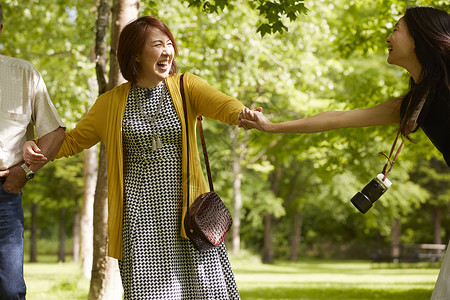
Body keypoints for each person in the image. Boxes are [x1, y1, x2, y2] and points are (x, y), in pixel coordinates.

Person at [23, 16, 258, 299]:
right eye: (157, 44)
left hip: (187, 215)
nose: (167, 51)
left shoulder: (186, 87)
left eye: (169, 43)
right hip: (139, 220)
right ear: (135, 53)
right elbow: (72, 141)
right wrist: (35, 148)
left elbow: (223, 106)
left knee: (203, 291)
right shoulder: (110, 103)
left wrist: (243, 114)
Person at [240, 6, 449, 299]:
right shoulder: (418, 101)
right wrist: (273, 127)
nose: (389, 36)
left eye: (397, 29)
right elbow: (336, 118)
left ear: (418, 39)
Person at [0, 2, 66, 299]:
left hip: (4, 194)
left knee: (11, 291)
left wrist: (25, 172)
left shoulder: (23, 74)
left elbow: (55, 132)